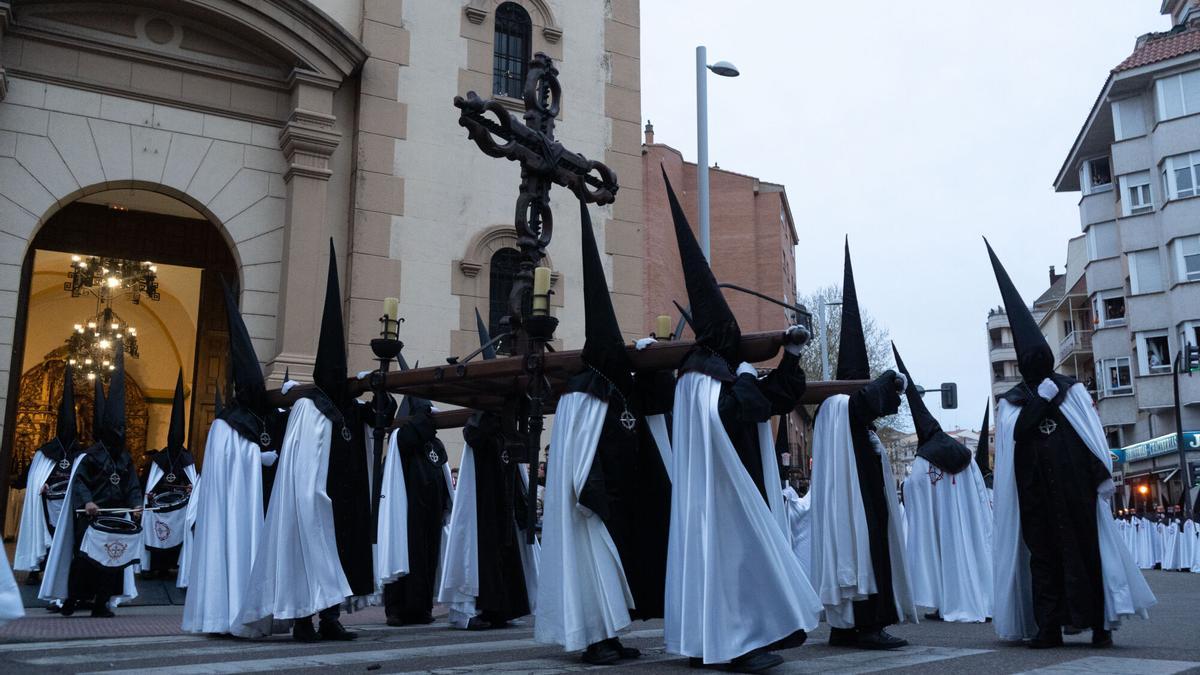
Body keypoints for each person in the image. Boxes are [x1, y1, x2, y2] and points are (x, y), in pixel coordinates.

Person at [659, 174, 822, 672]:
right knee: (729, 563)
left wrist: (791, 357)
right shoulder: (701, 374)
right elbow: (737, 410)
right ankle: (734, 644)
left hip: (730, 486)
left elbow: (773, 400)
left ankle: (714, 641)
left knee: (732, 564)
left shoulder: (718, 371)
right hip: (721, 493)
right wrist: (749, 375)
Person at [986, 240, 1155, 648]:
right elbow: (1017, 436)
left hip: (1077, 491)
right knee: (1044, 560)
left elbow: (1090, 436)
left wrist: (1101, 476)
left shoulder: (1073, 392)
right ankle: (1049, 627)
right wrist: (1040, 400)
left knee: (1088, 555)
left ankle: (1099, 624)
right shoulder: (1013, 403)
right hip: (1036, 497)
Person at [535, 199, 643, 665]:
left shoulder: (606, 390)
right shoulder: (582, 393)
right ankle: (594, 640)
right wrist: (593, 492)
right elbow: (580, 454)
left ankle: (610, 636)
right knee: (590, 570)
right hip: (587, 503)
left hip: (609, 498)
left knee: (609, 572)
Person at [240, 241, 365, 642]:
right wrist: (310, 498)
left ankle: (330, 618)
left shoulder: (343, 407)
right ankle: (302, 620)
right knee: (305, 558)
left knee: (333, 558)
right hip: (308, 500)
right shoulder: (308, 407)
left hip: (337, 498)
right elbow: (301, 461)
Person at [810, 242, 917, 650]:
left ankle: (848, 627)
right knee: (865, 550)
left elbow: (869, 406)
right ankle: (864, 626)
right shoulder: (841, 408)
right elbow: (866, 402)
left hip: (862, 501)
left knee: (868, 548)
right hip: (855, 506)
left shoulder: (846, 417)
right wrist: (892, 379)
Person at [182, 280, 277, 635]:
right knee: (230, 550)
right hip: (233, 508)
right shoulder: (225, 424)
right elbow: (225, 470)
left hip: (258, 504)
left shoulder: (261, 418)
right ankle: (222, 616)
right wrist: (257, 459)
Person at [439, 311, 539, 631]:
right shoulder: (481, 419)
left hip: (503, 498)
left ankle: (505, 608)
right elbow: (474, 436)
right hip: (484, 499)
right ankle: (486, 607)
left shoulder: (502, 422)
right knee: (486, 551)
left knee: (506, 551)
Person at [39, 347, 142, 617]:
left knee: (113, 561)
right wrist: (88, 502)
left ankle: (101, 604)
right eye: (116, 429)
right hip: (91, 516)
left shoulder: (125, 458)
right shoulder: (90, 456)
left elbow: (132, 484)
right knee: (85, 561)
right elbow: (79, 482)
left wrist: (136, 504)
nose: (120, 433)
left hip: (115, 517)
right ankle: (72, 600)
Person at [894, 344, 993, 624]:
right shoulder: (964, 453)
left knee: (943, 556)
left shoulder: (924, 459)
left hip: (941, 522)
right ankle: (982, 600)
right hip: (967, 521)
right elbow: (978, 490)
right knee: (971, 554)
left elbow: (912, 488)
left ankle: (946, 602)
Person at [14, 363, 80, 588]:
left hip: (69, 504)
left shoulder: (80, 453)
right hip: (47, 503)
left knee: (66, 537)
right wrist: (39, 486)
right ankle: (36, 569)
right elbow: (34, 477)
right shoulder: (46, 453)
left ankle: (65, 569)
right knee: (45, 534)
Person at [139, 371, 197, 581]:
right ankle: (152, 566)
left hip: (178, 508)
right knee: (156, 532)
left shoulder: (187, 458)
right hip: (159, 507)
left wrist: (191, 489)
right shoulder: (159, 459)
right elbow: (149, 483)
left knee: (176, 532)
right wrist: (150, 494)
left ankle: (171, 566)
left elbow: (193, 483)